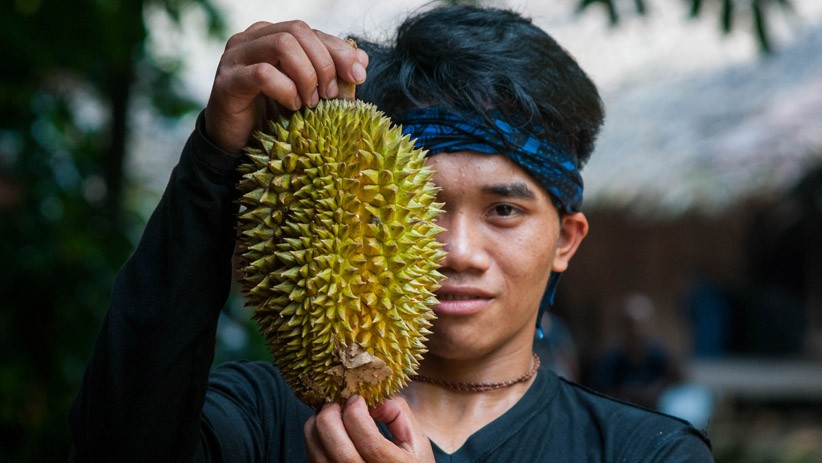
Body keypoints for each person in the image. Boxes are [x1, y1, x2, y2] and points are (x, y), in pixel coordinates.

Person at [69, 5, 713, 462]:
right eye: (423, 204)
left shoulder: (645, 452)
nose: (457, 252)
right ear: (358, 212)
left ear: (566, 240)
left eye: (504, 211)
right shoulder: (258, 416)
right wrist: (212, 161)